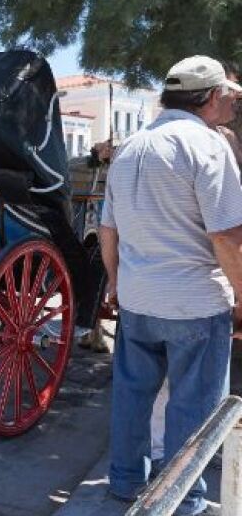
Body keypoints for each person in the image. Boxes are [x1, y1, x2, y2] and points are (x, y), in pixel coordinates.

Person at [100, 55, 242, 514]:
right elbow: (225, 235)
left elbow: (108, 231)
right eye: (230, 95)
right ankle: (182, 502)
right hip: (194, 302)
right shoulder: (207, 145)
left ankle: (123, 484)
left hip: (138, 300)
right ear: (212, 96)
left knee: (132, 397)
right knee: (192, 409)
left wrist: (117, 283)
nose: (234, 104)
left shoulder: (131, 148)